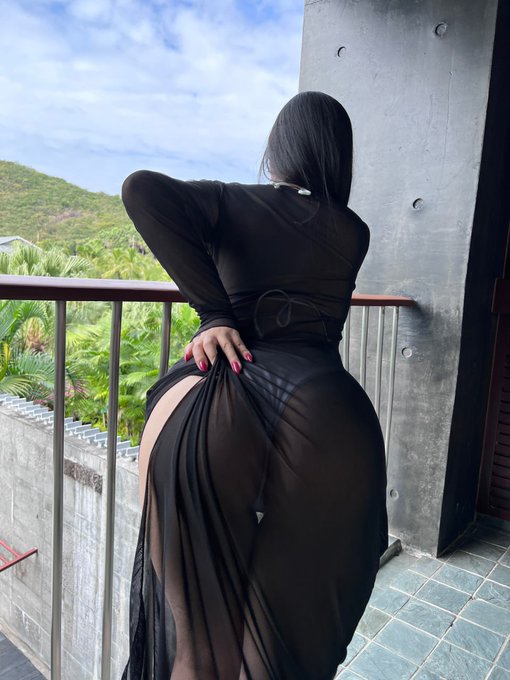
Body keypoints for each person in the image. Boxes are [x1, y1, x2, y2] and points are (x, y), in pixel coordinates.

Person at [120, 90, 389, 680]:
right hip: (328, 411)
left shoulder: (233, 201)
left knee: (197, 655)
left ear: (277, 151)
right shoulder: (354, 230)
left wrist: (214, 314)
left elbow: (141, 189)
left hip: (226, 385)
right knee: (279, 661)